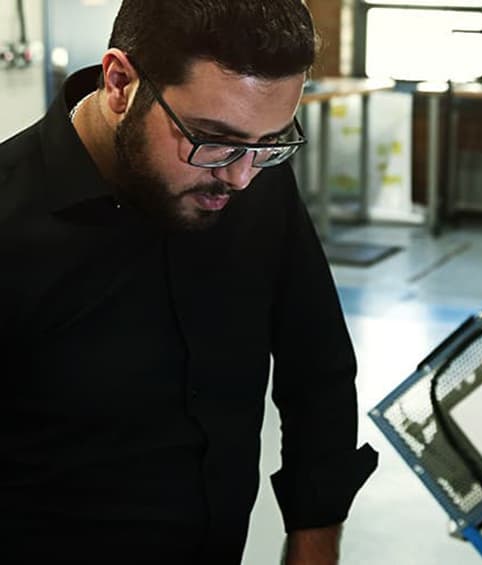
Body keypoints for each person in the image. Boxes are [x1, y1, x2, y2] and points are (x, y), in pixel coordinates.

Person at [0, 1, 378, 563]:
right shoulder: (10, 220)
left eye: (269, 142)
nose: (240, 176)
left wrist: (314, 537)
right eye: (210, 138)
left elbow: (316, 364)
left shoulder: (252, 177)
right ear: (121, 84)